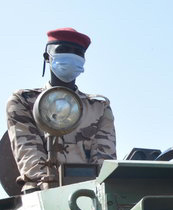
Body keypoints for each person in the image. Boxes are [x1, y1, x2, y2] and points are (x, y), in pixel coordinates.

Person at [6, 28, 116, 193]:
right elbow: (28, 151)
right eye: (63, 50)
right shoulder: (23, 101)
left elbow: (104, 161)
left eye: (78, 53)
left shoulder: (98, 107)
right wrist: (46, 189)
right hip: (40, 194)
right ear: (47, 57)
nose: (72, 56)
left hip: (88, 195)